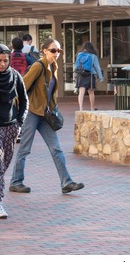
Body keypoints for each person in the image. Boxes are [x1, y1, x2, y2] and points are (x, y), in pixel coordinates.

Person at [9, 38, 84, 194]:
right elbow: (22, 87)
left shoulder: (54, 66)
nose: (57, 53)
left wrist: (53, 107)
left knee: (56, 149)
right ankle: (16, 182)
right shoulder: (38, 66)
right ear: (44, 51)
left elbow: (50, 92)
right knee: (24, 149)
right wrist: (18, 110)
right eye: (53, 50)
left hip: (45, 114)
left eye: (59, 51)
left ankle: (66, 182)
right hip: (32, 113)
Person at [0, 44, 29, 218]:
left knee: (4, 166)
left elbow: (25, 101)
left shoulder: (15, 76)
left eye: (5, 60)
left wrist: (19, 123)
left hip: (11, 127)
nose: (2, 64)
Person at [74, 41, 104, 111]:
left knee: (81, 92)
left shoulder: (79, 55)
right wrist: (101, 78)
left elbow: (76, 66)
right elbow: (97, 67)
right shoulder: (93, 56)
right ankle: (92, 108)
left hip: (80, 74)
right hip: (90, 75)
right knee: (91, 92)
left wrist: (75, 76)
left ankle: (81, 108)